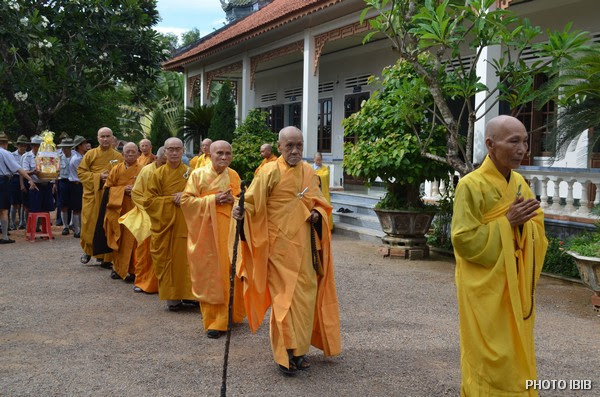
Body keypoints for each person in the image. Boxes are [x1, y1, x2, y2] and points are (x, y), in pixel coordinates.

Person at [451, 115, 548, 396]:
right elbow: (463, 238)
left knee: (516, 350)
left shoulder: (519, 182)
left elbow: (536, 227)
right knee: (489, 354)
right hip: (485, 288)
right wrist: (507, 224)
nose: (522, 149)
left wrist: (521, 225)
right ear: (491, 144)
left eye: (526, 141)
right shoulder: (470, 185)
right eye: (514, 141)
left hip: (515, 285)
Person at [232, 126, 341, 376]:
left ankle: (299, 352)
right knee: (283, 302)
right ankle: (284, 355)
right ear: (279, 147)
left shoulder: (309, 172)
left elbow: (322, 205)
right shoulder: (269, 172)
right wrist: (239, 212)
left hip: (305, 251)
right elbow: (250, 202)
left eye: (299, 145)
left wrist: (317, 214)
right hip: (277, 250)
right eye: (289, 145)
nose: (295, 150)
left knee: (304, 301)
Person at [181, 140, 245, 339]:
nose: (224, 157)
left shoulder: (233, 175)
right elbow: (186, 201)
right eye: (220, 153)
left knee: (230, 272)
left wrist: (234, 202)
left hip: (229, 233)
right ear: (210, 153)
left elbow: (242, 199)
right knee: (211, 275)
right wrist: (213, 200)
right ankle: (214, 322)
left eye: (228, 153)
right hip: (206, 233)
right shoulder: (198, 174)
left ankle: (230, 315)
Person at [143, 137, 195, 311]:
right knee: (168, 261)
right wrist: (172, 200)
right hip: (165, 226)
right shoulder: (156, 174)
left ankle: (190, 295)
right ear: (164, 152)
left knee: (188, 260)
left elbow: (200, 196)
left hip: (187, 225)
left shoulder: (191, 173)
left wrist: (186, 196)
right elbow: (149, 202)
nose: (173, 152)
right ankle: (172, 298)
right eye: (170, 149)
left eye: (177, 149)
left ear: (183, 151)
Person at [119, 147, 165, 294]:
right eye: (163, 161)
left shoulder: (177, 172)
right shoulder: (147, 171)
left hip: (170, 215)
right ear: (156, 158)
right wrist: (151, 210)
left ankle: (167, 284)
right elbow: (137, 194)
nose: (165, 165)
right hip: (148, 214)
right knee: (145, 249)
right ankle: (143, 281)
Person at [77, 127, 123, 265]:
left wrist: (110, 178)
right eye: (102, 136)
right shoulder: (90, 154)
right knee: (89, 223)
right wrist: (98, 176)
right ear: (98, 138)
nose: (105, 139)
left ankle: (105, 257)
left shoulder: (117, 156)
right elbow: (81, 173)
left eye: (107, 136)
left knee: (106, 224)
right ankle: (88, 251)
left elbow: (121, 175)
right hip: (92, 194)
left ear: (112, 138)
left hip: (109, 195)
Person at [100, 142, 142, 282]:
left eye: (133, 152)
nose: (130, 154)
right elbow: (107, 188)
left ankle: (134, 270)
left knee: (134, 241)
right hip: (118, 210)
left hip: (135, 210)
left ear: (138, 154)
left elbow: (148, 187)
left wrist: (135, 190)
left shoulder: (143, 169)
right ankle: (117, 268)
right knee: (118, 238)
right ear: (122, 155)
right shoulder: (116, 169)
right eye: (127, 152)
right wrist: (122, 190)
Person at [0, 132, 37, 244]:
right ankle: (5, 236)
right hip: (2, 181)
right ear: (5, 143)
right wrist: (30, 179)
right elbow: (18, 169)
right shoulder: (5, 153)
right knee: (4, 210)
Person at [21, 135, 55, 216]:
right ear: (32, 146)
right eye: (37, 146)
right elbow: (24, 172)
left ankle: (42, 226)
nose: (39, 147)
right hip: (35, 185)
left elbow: (53, 169)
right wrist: (33, 172)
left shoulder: (47, 156)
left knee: (46, 208)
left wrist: (53, 182)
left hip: (47, 185)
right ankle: (33, 226)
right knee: (34, 208)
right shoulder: (27, 157)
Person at [69, 135, 88, 239]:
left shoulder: (80, 157)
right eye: (84, 144)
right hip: (77, 184)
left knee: (80, 207)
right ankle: (77, 230)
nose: (86, 145)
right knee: (77, 208)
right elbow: (83, 173)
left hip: (79, 184)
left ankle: (77, 227)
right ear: (79, 146)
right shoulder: (77, 159)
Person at [9, 135, 29, 230]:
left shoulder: (27, 155)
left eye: (24, 145)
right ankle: (12, 223)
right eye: (21, 145)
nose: (23, 147)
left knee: (23, 202)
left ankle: (22, 222)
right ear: (17, 146)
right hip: (14, 179)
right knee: (14, 203)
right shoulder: (12, 155)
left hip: (25, 179)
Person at [56, 137, 73, 235]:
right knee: (63, 205)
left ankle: (72, 224)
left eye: (66, 147)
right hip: (62, 181)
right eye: (63, 147)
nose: (64, 149)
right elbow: (56, 171)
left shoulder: (76, 156)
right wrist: (55, 184)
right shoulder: (58, 156)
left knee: (73, 204)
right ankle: (65, 226)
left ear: (70, 147)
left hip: (73, 182)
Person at [313, 152, 333, 230]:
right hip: (314, 192)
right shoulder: (310, 168)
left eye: (320, 160)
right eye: (317, 160)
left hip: (323, 192)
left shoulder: (325, 168)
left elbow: (325, 176)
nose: (318, 162)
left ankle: (327, 227)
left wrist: (316, 176)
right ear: (314, 159)